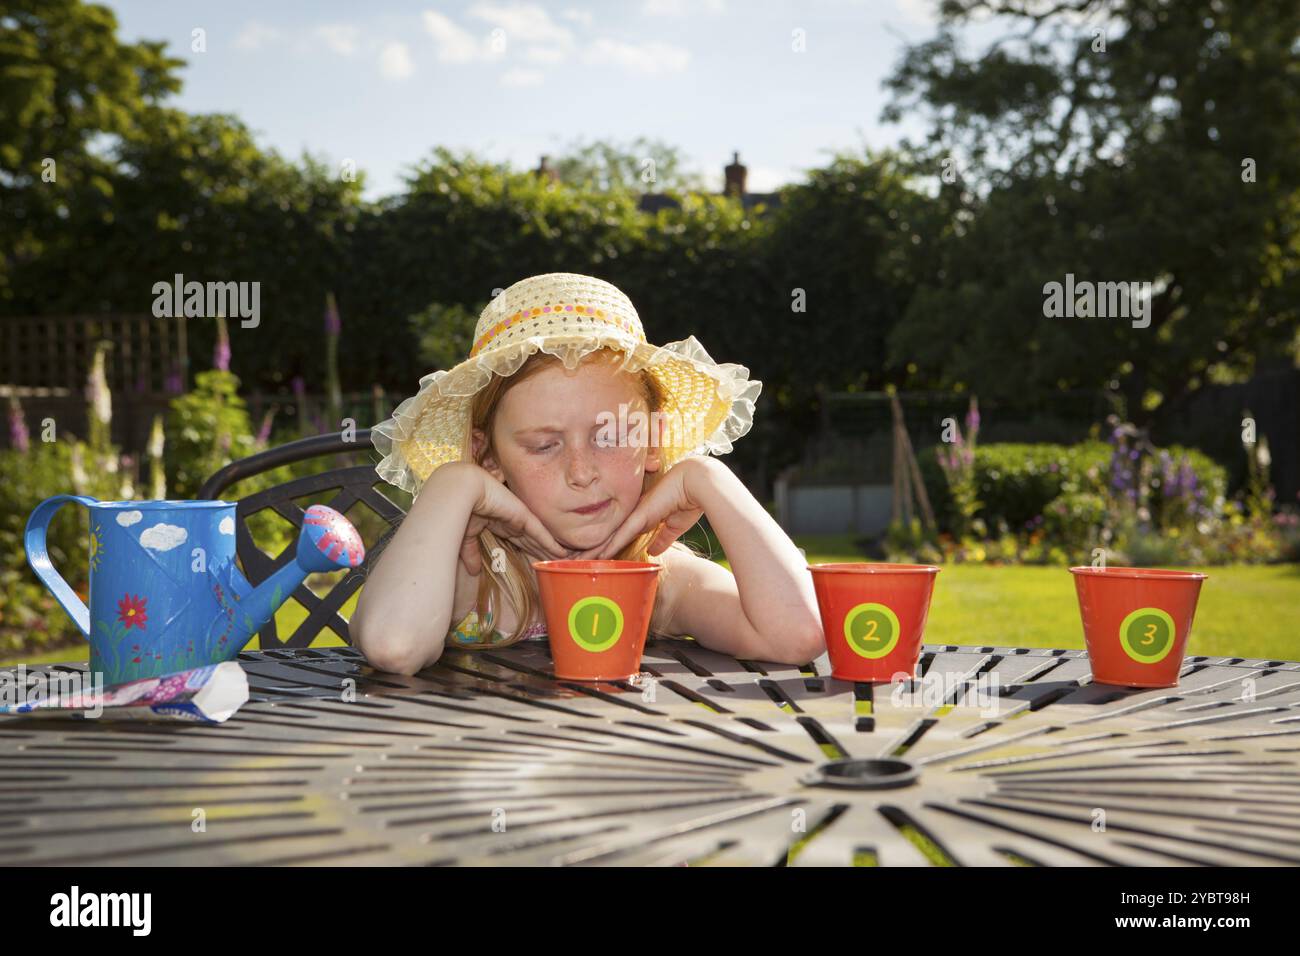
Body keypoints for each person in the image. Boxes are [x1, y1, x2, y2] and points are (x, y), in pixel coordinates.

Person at [352, 273, 824, 675]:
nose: (581, 473)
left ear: (652, 441)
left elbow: (798, 636)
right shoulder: (468, 578)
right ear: (488, 457)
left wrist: (708, 477)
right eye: (543, 445)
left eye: (612, 436)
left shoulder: (660, 580)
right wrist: (454, 482)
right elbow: (392, 645)